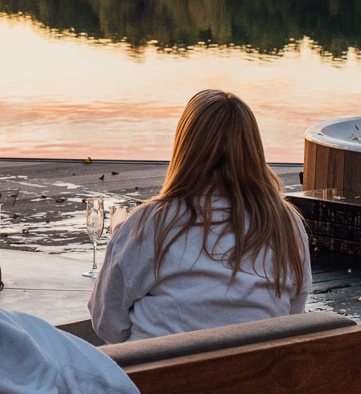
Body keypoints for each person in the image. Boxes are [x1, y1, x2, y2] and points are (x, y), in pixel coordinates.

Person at [88, 89, 310, 344]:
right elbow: (293, 316)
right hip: (257, 377)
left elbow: (106, 322)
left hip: (161, 379)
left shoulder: (147, 224)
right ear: (253, 150)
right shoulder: (287, 225)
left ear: (185, 149)